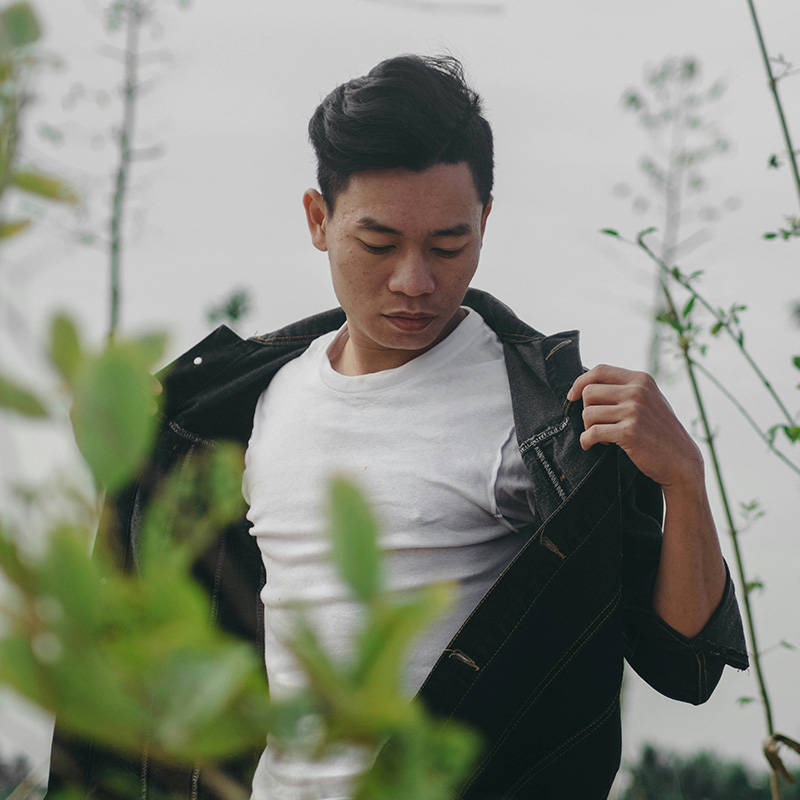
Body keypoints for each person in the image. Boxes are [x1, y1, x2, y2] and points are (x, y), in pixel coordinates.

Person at [47, 54, 749, 799]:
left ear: (484, 221)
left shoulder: (543, 418)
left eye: (449, 245)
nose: (415, 281)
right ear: (319, 220)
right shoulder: (238, 408)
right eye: (378, 244)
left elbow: (686, 661)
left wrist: (684, 479)